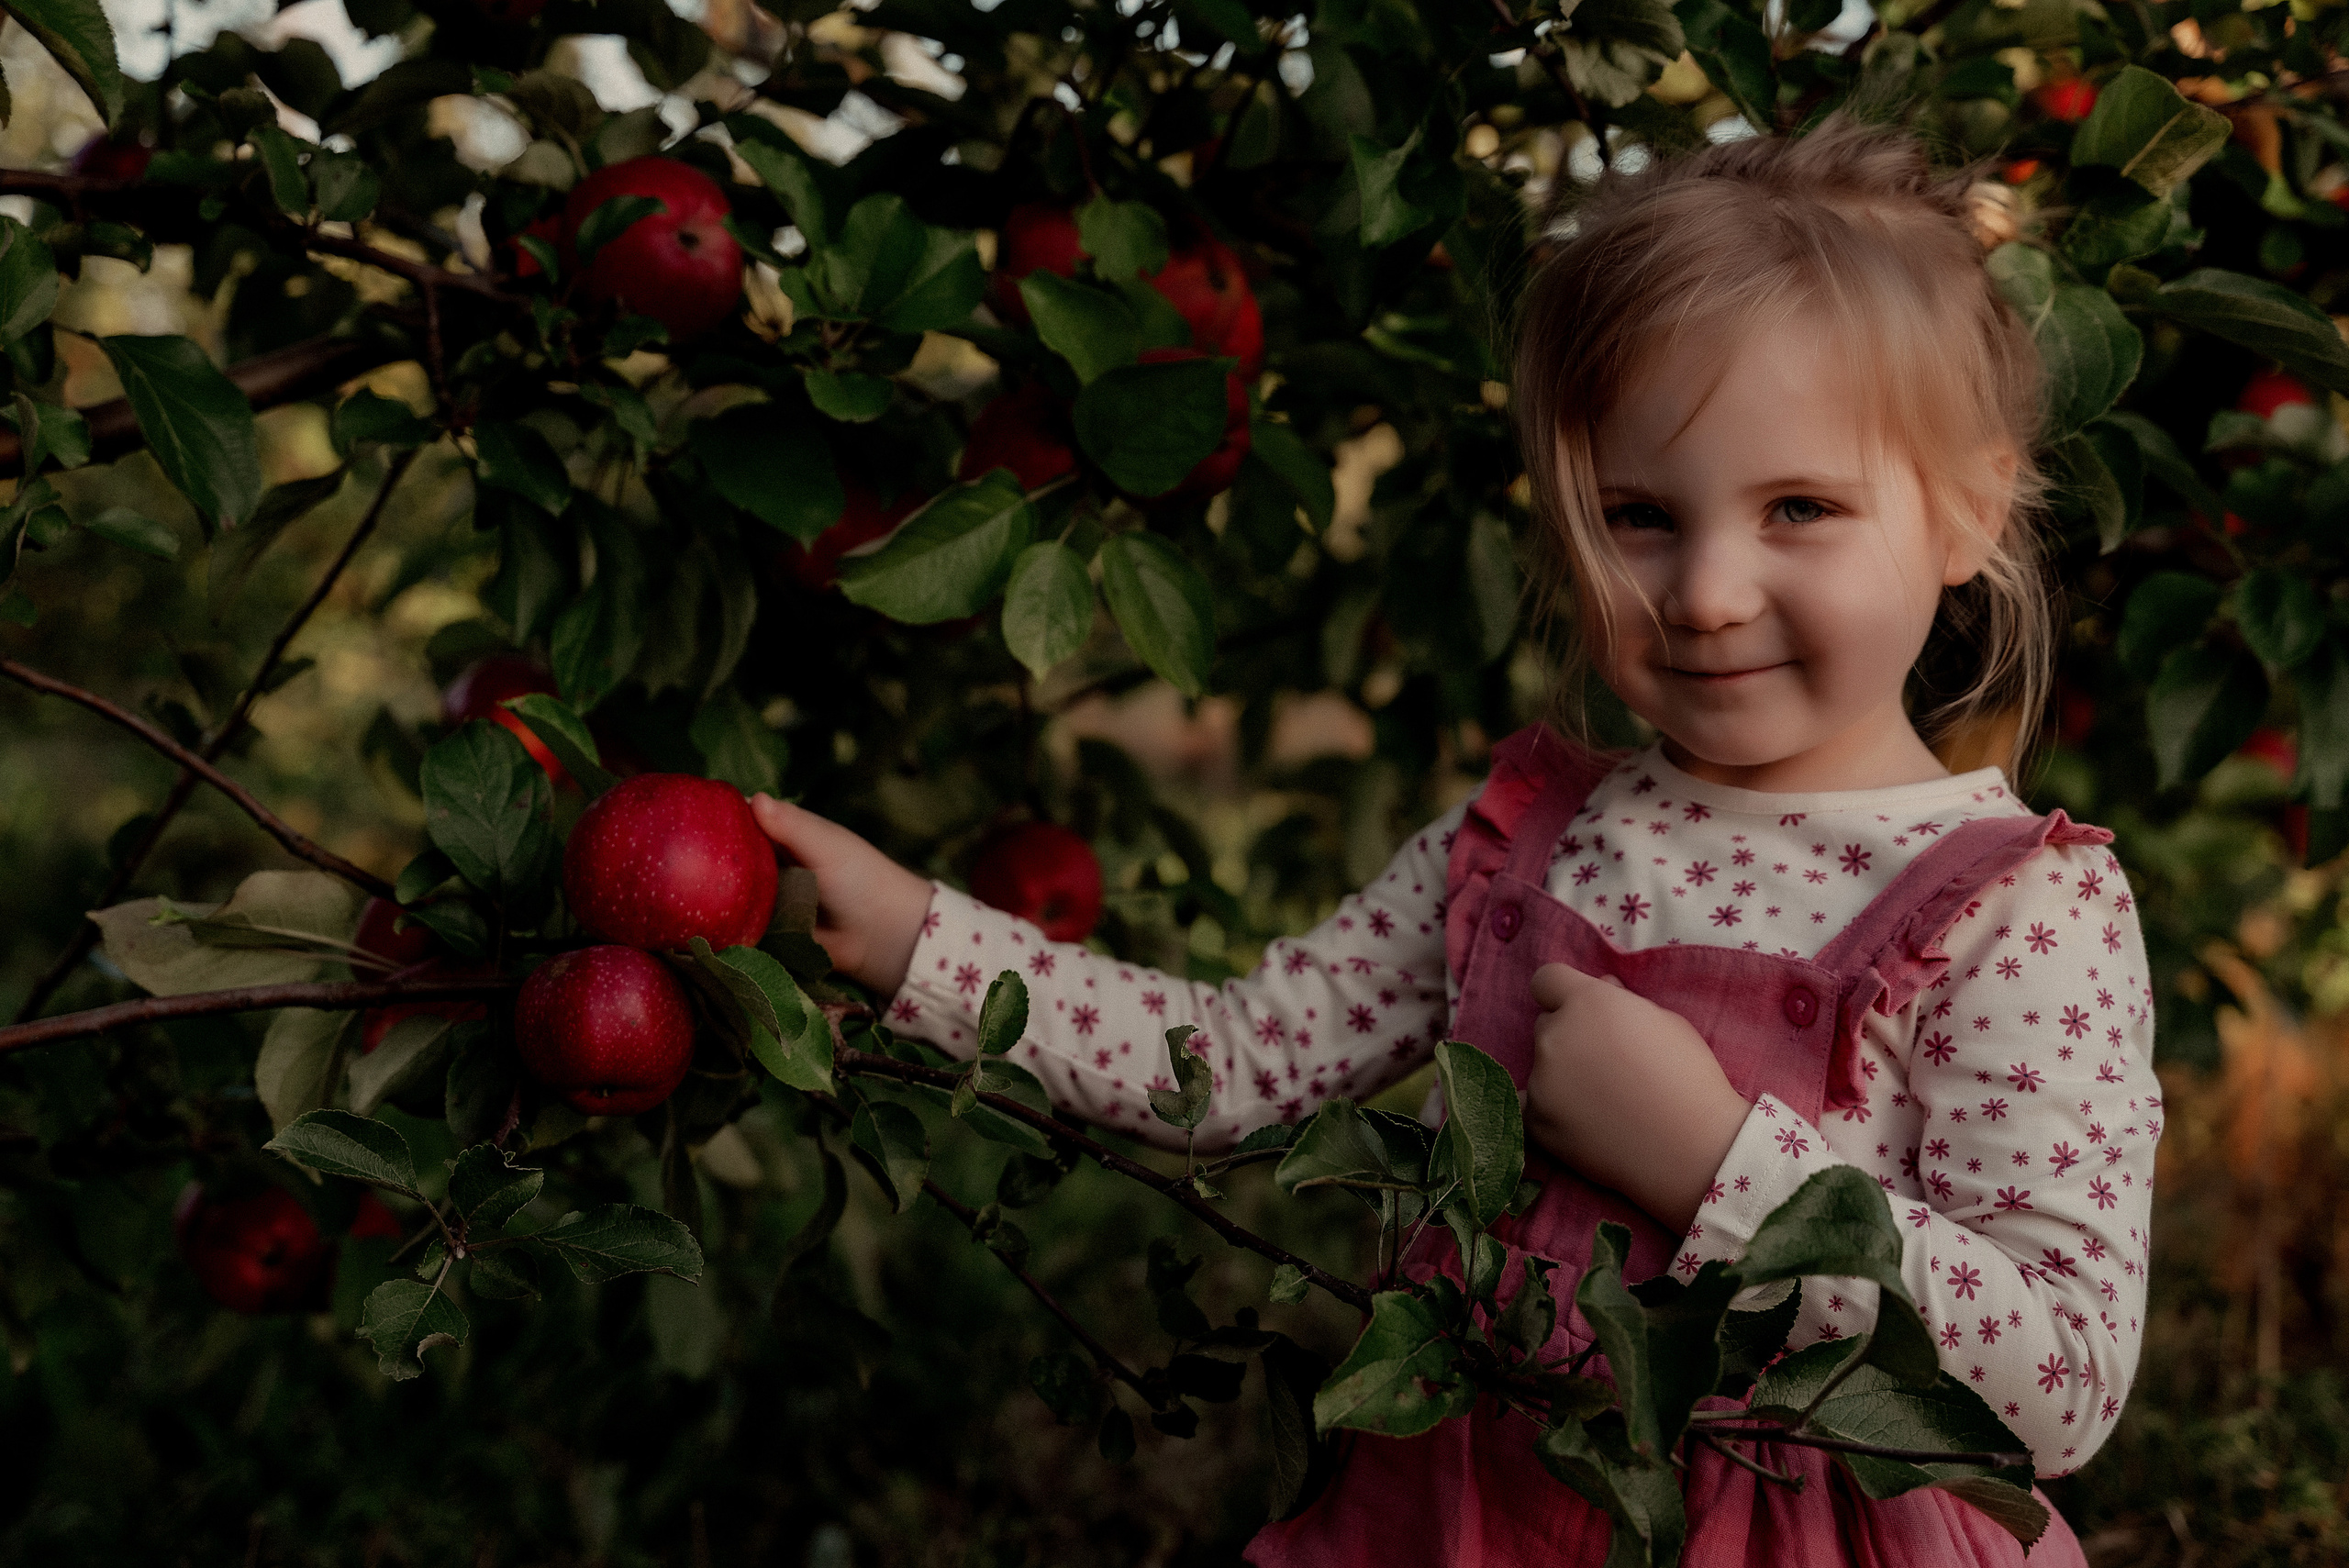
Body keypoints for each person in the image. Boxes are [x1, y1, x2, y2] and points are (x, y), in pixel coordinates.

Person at [751, 113, 2155, 1566]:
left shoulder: (2015, 911)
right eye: (1638, 515)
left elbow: (2059, 1381)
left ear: (1969, 510)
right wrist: (918, 933)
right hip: (1470, 1520)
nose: (1709, 589)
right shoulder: (1534, 840)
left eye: (1800, 506)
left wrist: (1716, 1161)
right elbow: (1233, 1066)